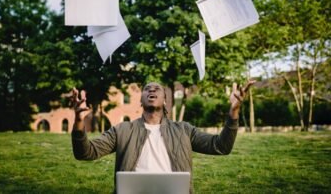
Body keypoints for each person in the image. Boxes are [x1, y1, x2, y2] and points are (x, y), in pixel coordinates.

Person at [71, 80, 255, 193]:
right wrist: (79, 120)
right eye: (147, 89)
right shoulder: (122, 130)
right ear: (141, 100)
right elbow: (86, 153)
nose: (152, 90)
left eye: (157, 89)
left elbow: (221, 147)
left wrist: (234, 112)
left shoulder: (184, 130)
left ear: (165, 100)